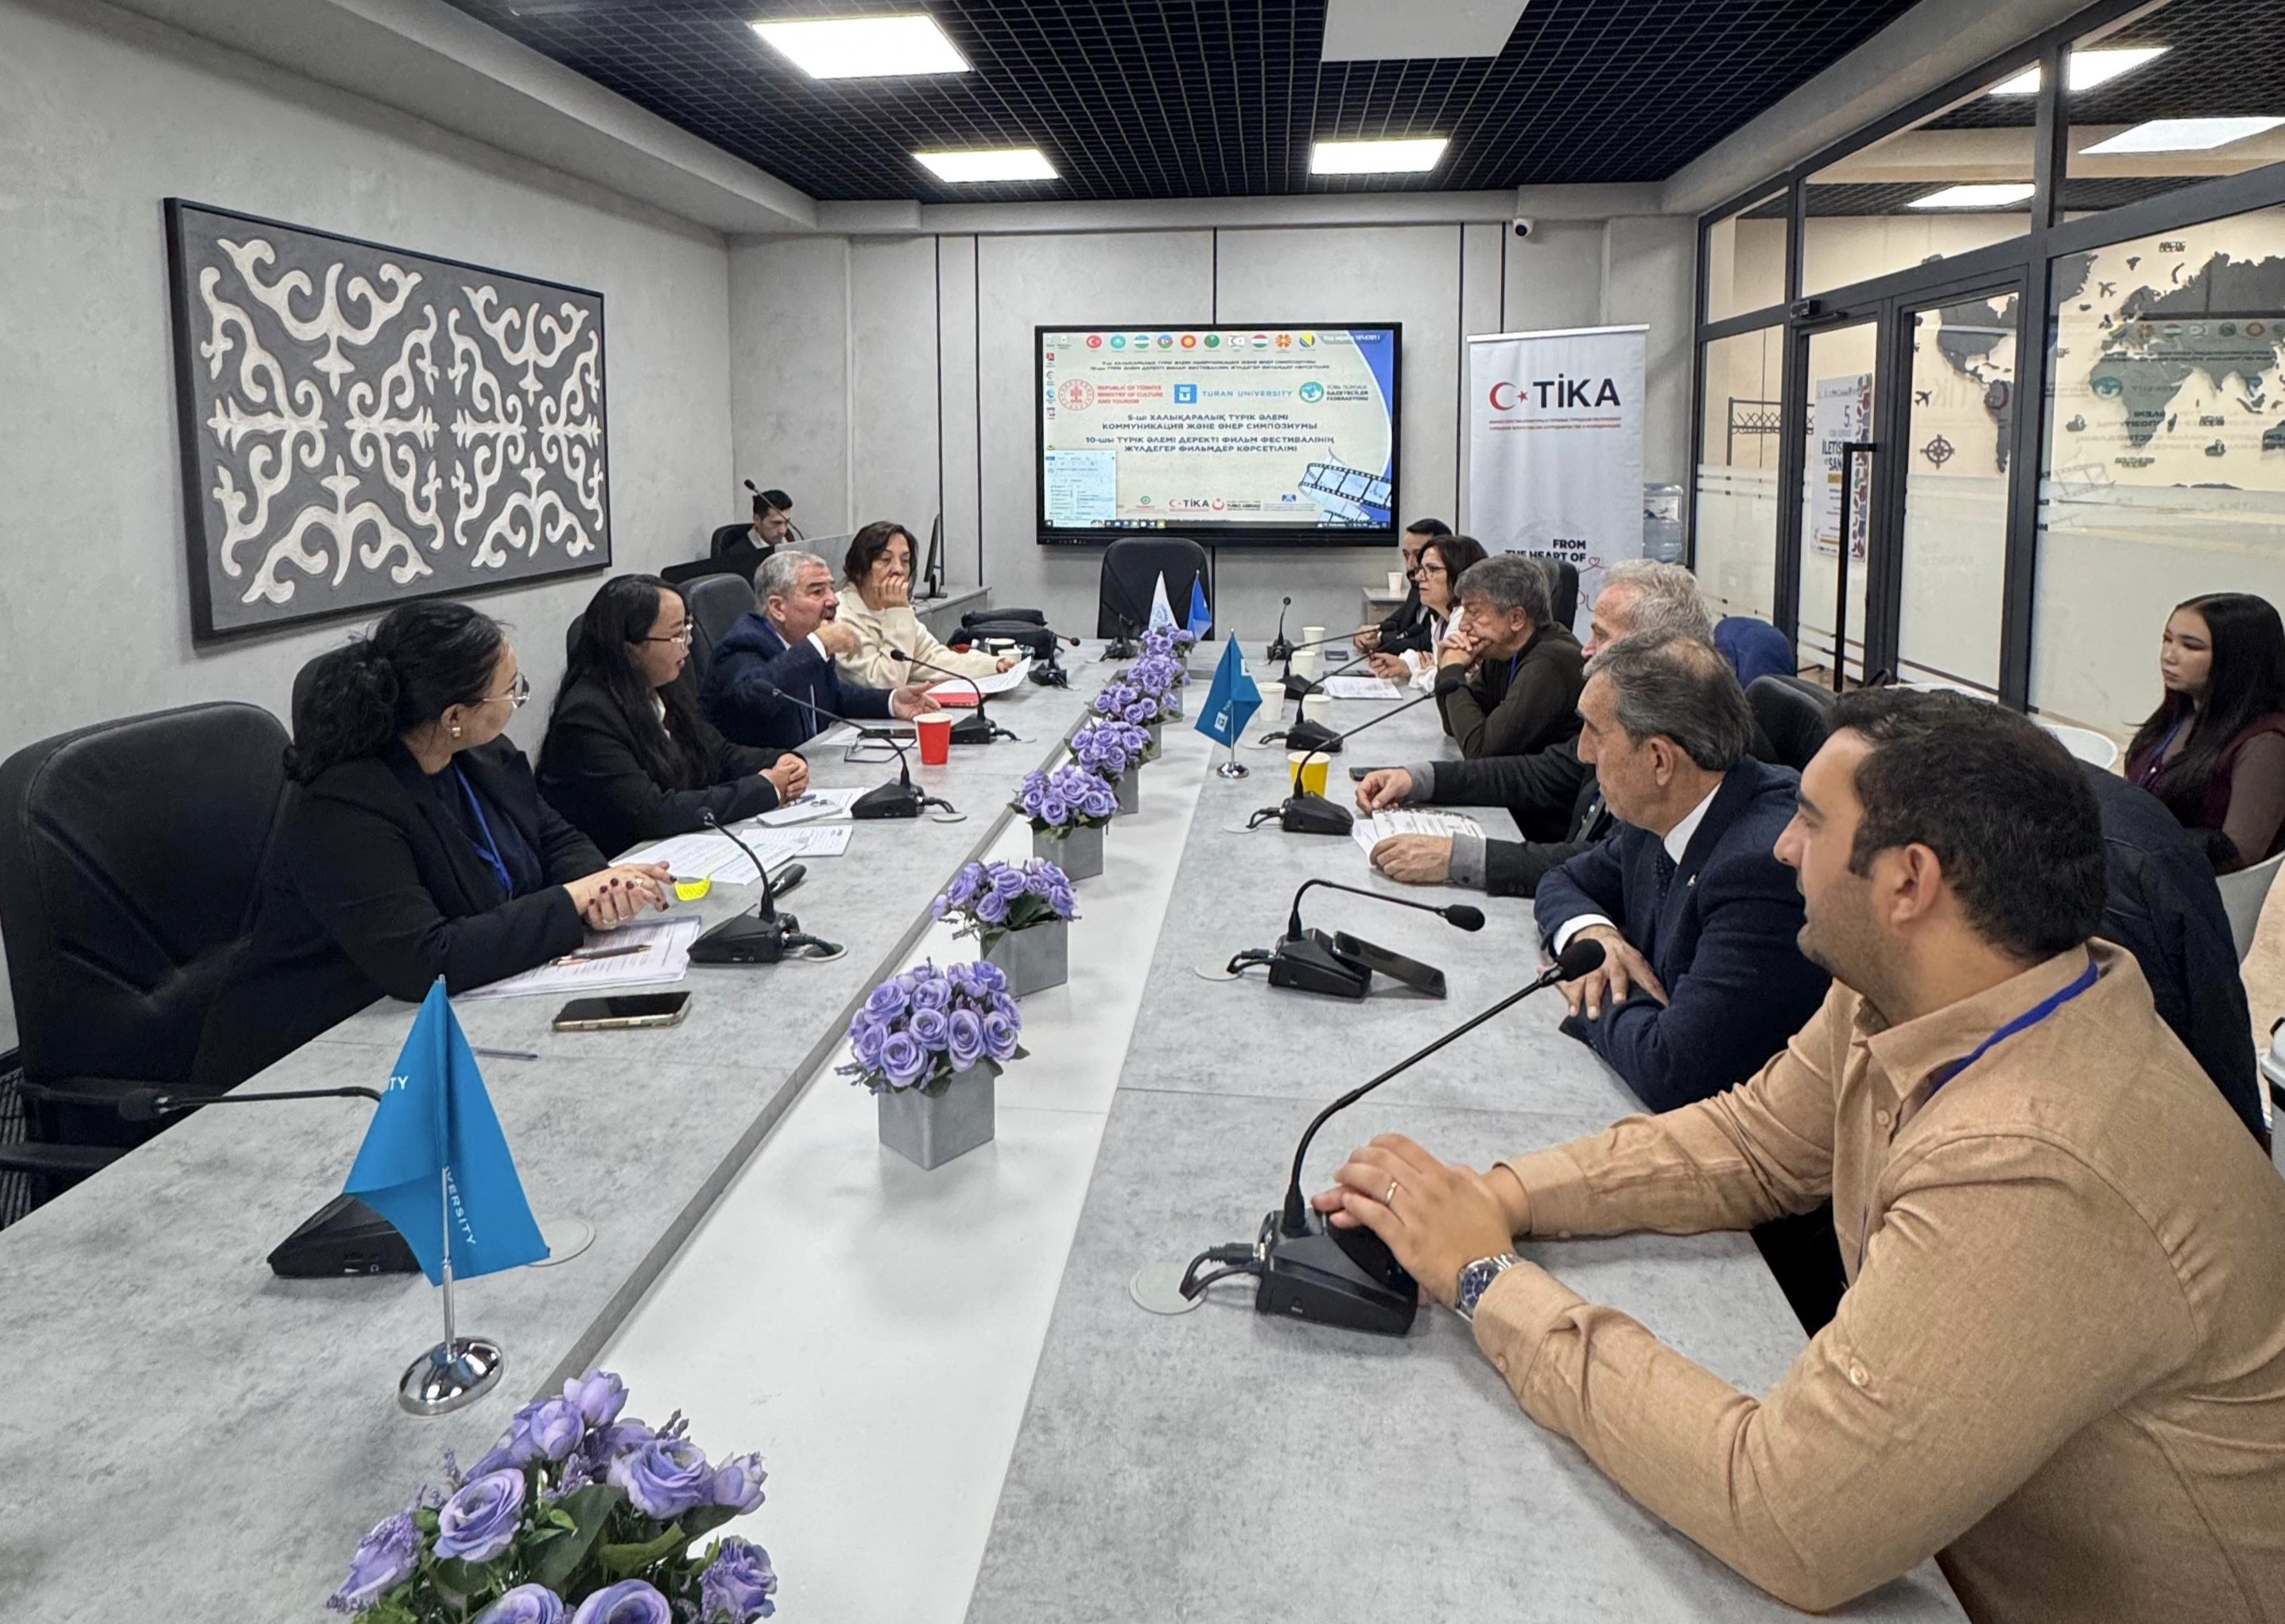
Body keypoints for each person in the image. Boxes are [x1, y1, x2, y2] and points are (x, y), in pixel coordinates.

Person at [1312, 689, 2285, 1620]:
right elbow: (1751, 1142)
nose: (1782, 846)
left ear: (1909, 882)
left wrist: (1487, 1280)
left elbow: (1786, 1514)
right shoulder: (1913, 990)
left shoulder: (2040, 1159)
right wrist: (1500, 1195)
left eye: (1811, 824)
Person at [192, 602, 669, 1090]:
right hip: (312, 1056)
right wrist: (570, 902)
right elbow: (424, 960)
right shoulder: (347, 806)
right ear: (454, 716)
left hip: (444, 1021)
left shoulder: (484, 756)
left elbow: (556, 838)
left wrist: (602, 889)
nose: (518, 699)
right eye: (511, 690)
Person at [1532, 634, 1828, 1114]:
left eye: (1594, 732)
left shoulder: (1760, 871)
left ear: (1659, 759)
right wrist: (1595, 935)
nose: (1583, 752)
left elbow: (1671, 1070)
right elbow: (1564, 879)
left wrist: (1594, 986)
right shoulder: (1660, 810)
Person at [1361, 559, 1714, 893]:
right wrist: (1418, 779)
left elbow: (1606, 868)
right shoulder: (1619, 718)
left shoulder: (1680, 750)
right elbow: (1532, 773)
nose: (1586, 651)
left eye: (1601, 637)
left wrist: (1455, 857)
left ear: (1661, 654)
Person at [538, 575, 811, 857]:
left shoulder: (663, 684)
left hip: (674, 849)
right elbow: (654, 812)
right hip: (623, 862)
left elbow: (715, 753)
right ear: (629, 648)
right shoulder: (586, 717)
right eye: (676, 635)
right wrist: (764, 789)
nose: (688, 643)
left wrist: (779, 761)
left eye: (687, 629)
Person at [703, 549, 931, 750]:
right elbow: (757, 699)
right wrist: (819, 644)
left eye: (831, 588)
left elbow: (834, 697)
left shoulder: (803, 641)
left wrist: (891, 701)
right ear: (778, 607)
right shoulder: (744, 644)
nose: (833, 600)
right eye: (817, 592)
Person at [2124, 591, 2285, 873]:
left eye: (2191, 646)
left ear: (2237, 659)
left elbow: (2239, 854)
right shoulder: (2182, 711)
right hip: (2144, 866)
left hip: (2190, 884)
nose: (2168, 656)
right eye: (2167, 640)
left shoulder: (2265, 742)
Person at [1433, 553, 1583, 759]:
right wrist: (1448, 669)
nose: (1462, 626)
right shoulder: (1503, 650)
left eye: (1474, 613)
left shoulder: (1550, 662)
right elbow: (1456, 727)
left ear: (1516, 618)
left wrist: (1452, 670)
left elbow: (1481, 750)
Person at [832, 521, 1012, 691]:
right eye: (886, 559)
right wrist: (898, 611)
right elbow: (885, 683)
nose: (898, 569)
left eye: (905, 560)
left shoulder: (893, 607)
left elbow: (933, 658)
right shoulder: (840, 617)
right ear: (859, 569)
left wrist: (991, 664)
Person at [1364, 534, 1487, 690]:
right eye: (1421, 569)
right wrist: (1407, 665)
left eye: (1433, 569)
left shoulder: (1466, 620)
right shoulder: (1440, 618)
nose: (1419, 577)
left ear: (1460, 574)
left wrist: (1419, 673)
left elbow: (1447, 680)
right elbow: (1436, 667)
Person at [1349, 517, 1452, 654]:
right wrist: (1370, 632)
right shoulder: (1417, 589)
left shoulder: (1452, 600)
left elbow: (1425, 643)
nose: (1410, 565)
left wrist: (1380, 640)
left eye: (1418, 555)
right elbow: (1397, 623)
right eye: (1406, 555)